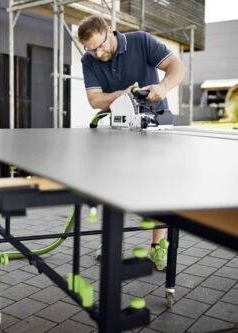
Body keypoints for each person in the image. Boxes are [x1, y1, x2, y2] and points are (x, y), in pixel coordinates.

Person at [78, 15, 187, 271]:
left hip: (155, 127)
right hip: (118, 129)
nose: (98, 53)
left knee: (158, 192)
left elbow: (177, 67)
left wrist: (163, 87)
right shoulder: (89, 60)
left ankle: (158, 247)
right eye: (91, 49)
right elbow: (95, 100)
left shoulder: (141, 41)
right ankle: (111, 242)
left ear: (111, 32)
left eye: (101, 45)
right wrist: (126, 93)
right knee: (112, 189)